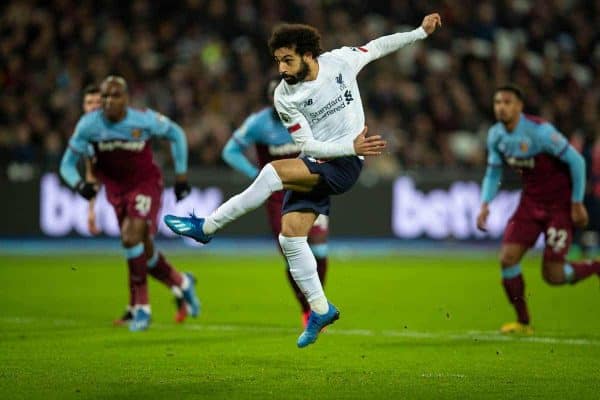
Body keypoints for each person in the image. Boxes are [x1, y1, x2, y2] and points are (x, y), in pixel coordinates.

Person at [165, 14, 442, 347]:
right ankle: (320, 309)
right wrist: (348, 144)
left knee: (271, 172)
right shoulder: (284, 96)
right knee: (290, 237)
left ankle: (206, 228)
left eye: (287, 60)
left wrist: (419, 33)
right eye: (278, 61)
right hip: (319, 159)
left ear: (308, 53)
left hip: (344, 165)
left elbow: (378, 46)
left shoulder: (340, 61)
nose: (281, 69)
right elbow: (307, 146)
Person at [60, 75, 201, 332]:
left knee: (130, 237)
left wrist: (181, 175)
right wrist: (79, 185)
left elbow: (177, 134)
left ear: (126, 99)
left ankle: (141, 308)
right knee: (142, 249)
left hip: (145, 185)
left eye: (114, 96)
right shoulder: (89, 126)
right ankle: (181, 283)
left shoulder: (143, 119)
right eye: (104, 97)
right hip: (116, 193)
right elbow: (66, 165)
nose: (107, 101)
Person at [476, 85, 600, 334]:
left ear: (519, 106)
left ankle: (596, 267)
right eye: (498, 102)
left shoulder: (540, 132)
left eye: (507, 102)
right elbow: (493, 171)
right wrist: (485, 204)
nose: (501, 106)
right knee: (507, 259)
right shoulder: (496, 135)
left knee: (553, 275)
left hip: (559, 207)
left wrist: (576, 202)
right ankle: (523, 322)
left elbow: (576, 161)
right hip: (530, 204)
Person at [222, 80, 329, 327]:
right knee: (293, 255)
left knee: (320, 250)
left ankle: (317, 305)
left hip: (310, 189)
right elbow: (230, 151)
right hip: (278, 196)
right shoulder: (258, 123)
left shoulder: (307, 116)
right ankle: (307, 309)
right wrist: (255, 176)